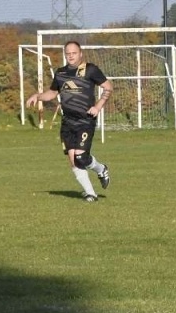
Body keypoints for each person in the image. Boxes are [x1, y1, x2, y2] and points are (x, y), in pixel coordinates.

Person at [24, 40, 112, 201]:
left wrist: (98, 106)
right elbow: (52, 93)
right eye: (68, 53)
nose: (71, 56)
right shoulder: (61, 73)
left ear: (80, 53)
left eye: (74, 53)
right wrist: (37, 96)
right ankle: (91, 193)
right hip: (67, 122)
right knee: (73, 160)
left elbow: (108, 87)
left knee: (81, 157)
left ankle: (101, 169)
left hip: (86, 120)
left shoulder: (91, 70)